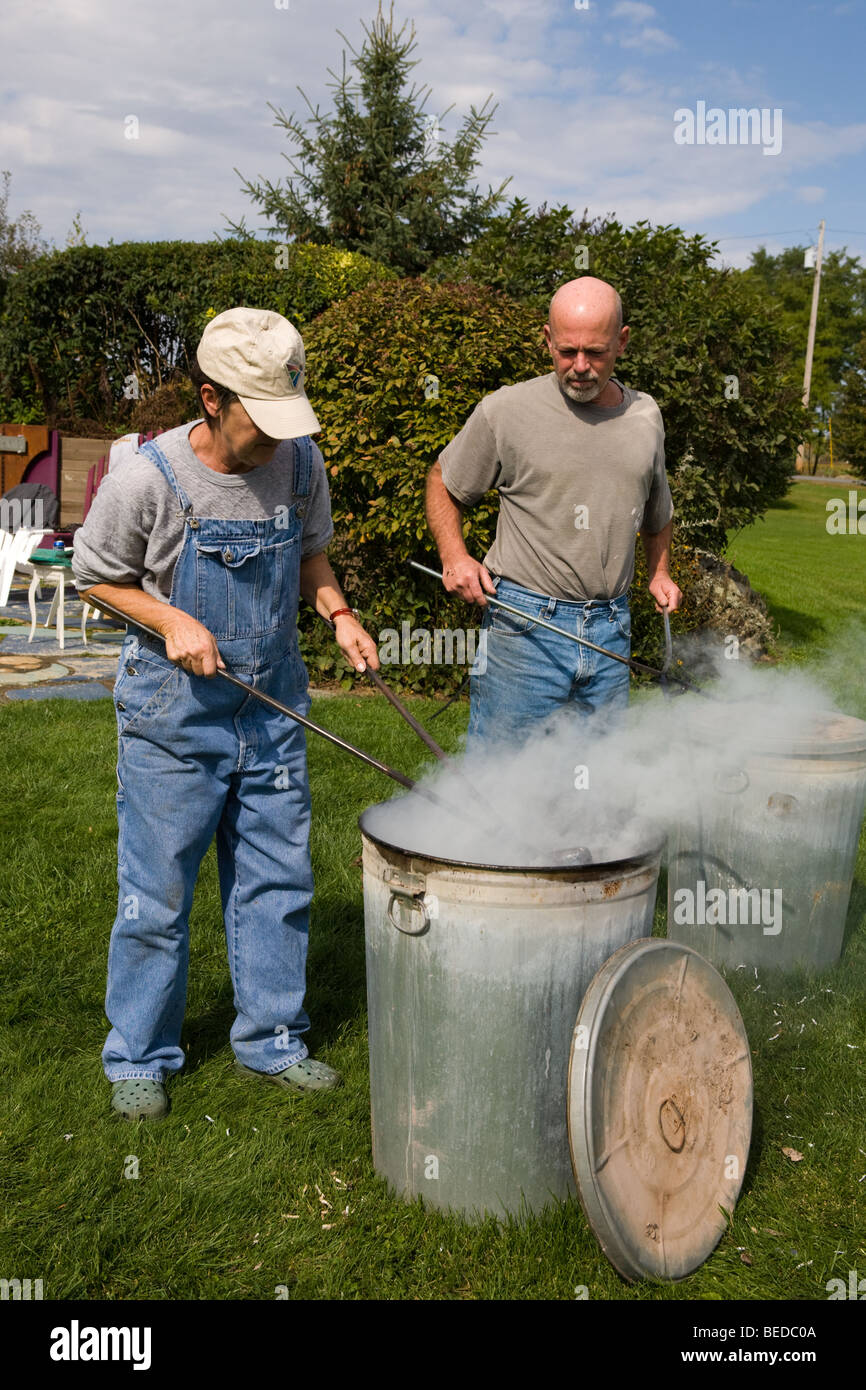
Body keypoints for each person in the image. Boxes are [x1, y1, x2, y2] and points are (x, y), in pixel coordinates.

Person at [73, 307, 379, 1121]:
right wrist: (172, 620)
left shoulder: (301, 463)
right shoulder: (148, 477)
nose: (279, 440)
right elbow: (97, 578)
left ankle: (272, 1039)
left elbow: (310, 554)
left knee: (279, 877)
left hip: (273, 703)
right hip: (174, 717)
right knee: (159, 890)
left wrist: (339, 615)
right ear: (211, 398)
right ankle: (139, 1053)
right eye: (261, 419)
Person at [425, 276, 682, 750]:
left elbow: (657, 510)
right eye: (566, 351)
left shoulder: (646, 417)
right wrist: (455, 557)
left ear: (622, 342)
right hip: (524, 629)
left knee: (593, 787)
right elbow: (443, 480)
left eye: (596, 353)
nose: (580, 367)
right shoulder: (506, 410)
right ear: (547, 339)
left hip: (611, 630)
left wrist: (659, 571)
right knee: (502, 779)